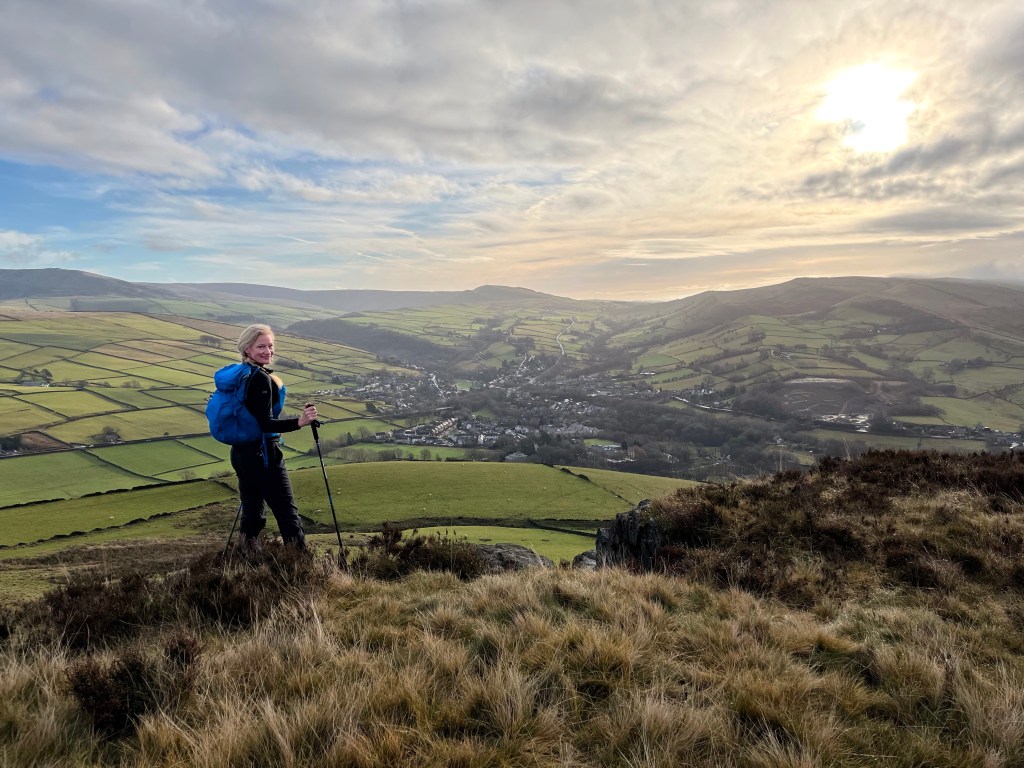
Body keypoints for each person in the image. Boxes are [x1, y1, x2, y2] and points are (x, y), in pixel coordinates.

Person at [230, 324, 318, 551]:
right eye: (261, 346)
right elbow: (265, 423)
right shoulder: (260, 379)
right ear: (247, 349)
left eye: (270, 346)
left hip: (241, 452)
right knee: (287, 514)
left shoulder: (240, 375)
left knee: (252, 512)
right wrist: (300, 422)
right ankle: (299, 564)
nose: (268, 351)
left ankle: (245, 559)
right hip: (263, 454)